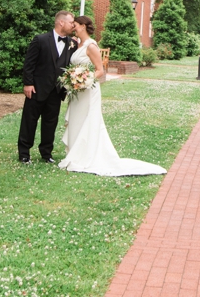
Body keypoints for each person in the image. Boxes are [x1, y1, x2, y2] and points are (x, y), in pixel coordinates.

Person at [58, 15, 166, 176]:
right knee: (76, 119)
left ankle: (87, 156)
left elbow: (100, 70)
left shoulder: (91, 46)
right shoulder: (76, 44)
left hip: (88, 90)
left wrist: (84, 81)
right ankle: (75, 153)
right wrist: (74, 80)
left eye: (75, 24)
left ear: (83, 26)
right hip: (77, 91)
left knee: (88, 120)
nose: (73, 27)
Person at [18, 10, 76, 164]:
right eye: (71, 22)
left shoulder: (72, 43)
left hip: (56, 91)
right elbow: (29, 64)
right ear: (61, 22)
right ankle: (24, 153)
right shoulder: (40, 39)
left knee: (50, 123)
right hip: (36, 88)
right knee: (29, 121)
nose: (73, 25)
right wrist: (28, 84)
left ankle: (46, 153)